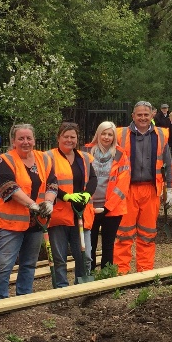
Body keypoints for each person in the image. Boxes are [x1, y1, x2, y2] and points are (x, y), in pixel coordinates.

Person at [0, 124, 57, 300]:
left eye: (29, 138)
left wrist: (49, 202)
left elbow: (52, 183)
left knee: (29, 263)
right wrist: (31, 204)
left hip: (37, 221)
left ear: (34, 140)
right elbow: (8, 186)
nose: (25, 142)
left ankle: (24, 297)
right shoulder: (6, 160)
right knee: (4, 264)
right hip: (12, 223)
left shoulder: (44, 159)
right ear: (13, 141)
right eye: (21, 138)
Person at [113, 101, 172, 274]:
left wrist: (170, 189)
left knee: (147, 234)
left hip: (151, 190)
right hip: (127, 190)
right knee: (124, 233)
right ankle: (120, 272)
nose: (143, 118)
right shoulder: (120, 134)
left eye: (146, 115)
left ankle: (145, 271)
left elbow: (168, 164)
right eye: (139, 115)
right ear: (133, 116)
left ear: (152, 115)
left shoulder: (161, 135)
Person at [45, 122, 97, 286]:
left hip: (81, 212)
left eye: (72, 137)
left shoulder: (85, 157)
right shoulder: (49, 157)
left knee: (85, 255)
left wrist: (87, 194)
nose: (69, 140)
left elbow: (93, 178)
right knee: (59, 257)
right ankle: (61, 288)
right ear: (59, 138)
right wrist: (65, 196)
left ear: (77, 138)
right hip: (59, 214)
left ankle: (81, 286)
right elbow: (46, 181)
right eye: (65, 136)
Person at [82, 121, 130, 271]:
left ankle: (106, 276)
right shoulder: (86, 151)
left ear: (114, 136)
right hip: (90, 207)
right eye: (104, 133)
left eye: (110, 134)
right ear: (98, 134)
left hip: (112, 209)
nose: (106, 137)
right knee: (91, 244)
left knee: (109, 245)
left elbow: (123, 183)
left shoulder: (121, 154)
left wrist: (108, 207)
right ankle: (89, 276)